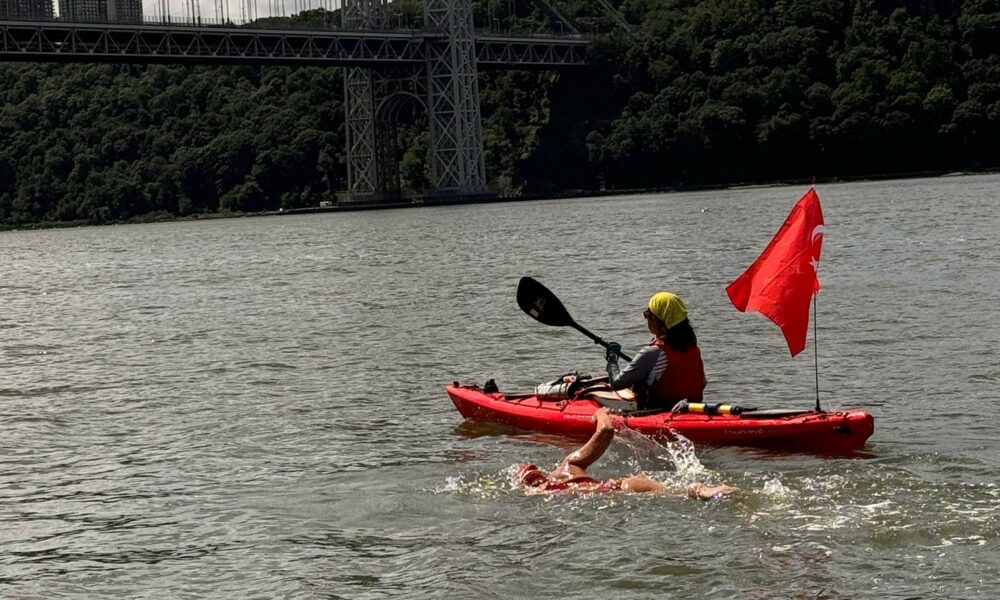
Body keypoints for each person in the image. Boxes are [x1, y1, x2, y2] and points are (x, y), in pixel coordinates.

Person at [514, 408, 736, 499]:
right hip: (622, 485)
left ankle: (701, 492)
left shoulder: (548, 494)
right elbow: (606, 431)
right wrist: (600, 413)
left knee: (674, 496)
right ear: (543, 472)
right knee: (675, 492)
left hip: (605, 497)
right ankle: (702, 490)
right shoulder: (568, 467)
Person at [604, 292, 706, 411]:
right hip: (691, 410)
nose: (646, 319)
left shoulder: (652, 352)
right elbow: (702, 383)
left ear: (655, 320)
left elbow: (616, 383)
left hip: (658, 413)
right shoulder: (693, 349)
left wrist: (612, 359)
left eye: (646, 314)